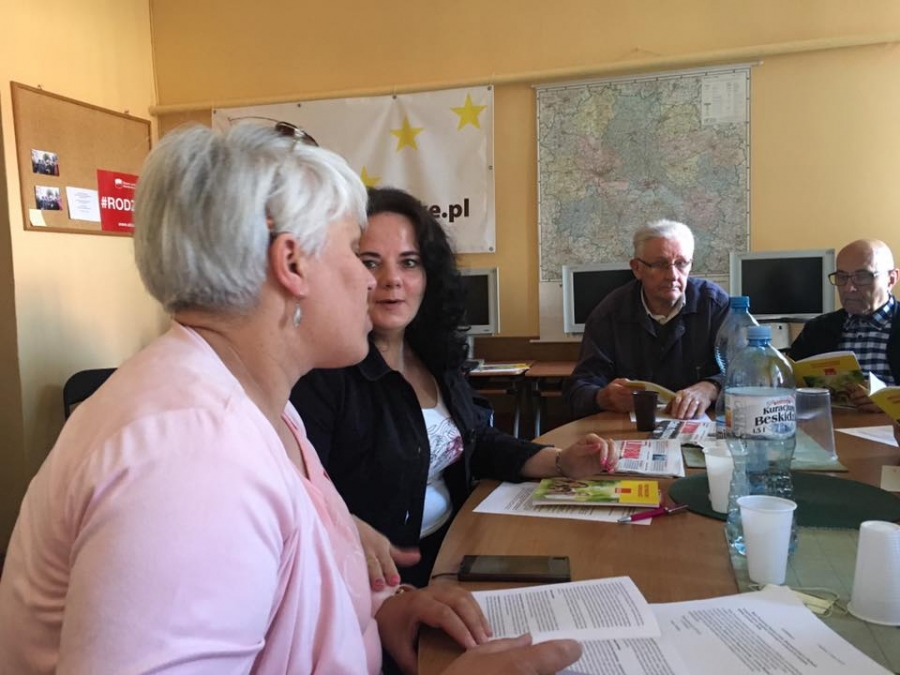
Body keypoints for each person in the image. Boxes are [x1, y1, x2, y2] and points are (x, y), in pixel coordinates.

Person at [0, 125, 581, 675]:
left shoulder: (256, 403)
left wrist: (385, 611)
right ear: (292, 264)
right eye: (354, 252)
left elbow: (291, 598)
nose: (372, 281)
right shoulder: (193, 459)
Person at [290, 187, 619, 588]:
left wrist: (562, 461)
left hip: (455, 548)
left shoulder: (432, 355)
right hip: (381, 582)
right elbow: (303, 500)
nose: (392, 280)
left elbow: (477, 440)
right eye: (370, 262)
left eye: (409, 262)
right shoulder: (321, 374)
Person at [563, 219, 729, 420]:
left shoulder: (714, 305)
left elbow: (747, 373)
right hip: (629, 428)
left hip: (703, 425)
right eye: (660, 265)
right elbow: (578, 391)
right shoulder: (609, 314)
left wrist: (710, 388)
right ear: (637, 268)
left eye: (681, 263)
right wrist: (603, 398)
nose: (672, 275)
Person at [790, 239, 899, 410]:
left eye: (862, 276)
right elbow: (788, 384)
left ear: (891, 279)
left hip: (891, 424)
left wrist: (889, 400)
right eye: (842, 277)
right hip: (831, 422)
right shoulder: (817, 329)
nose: (849, 288)